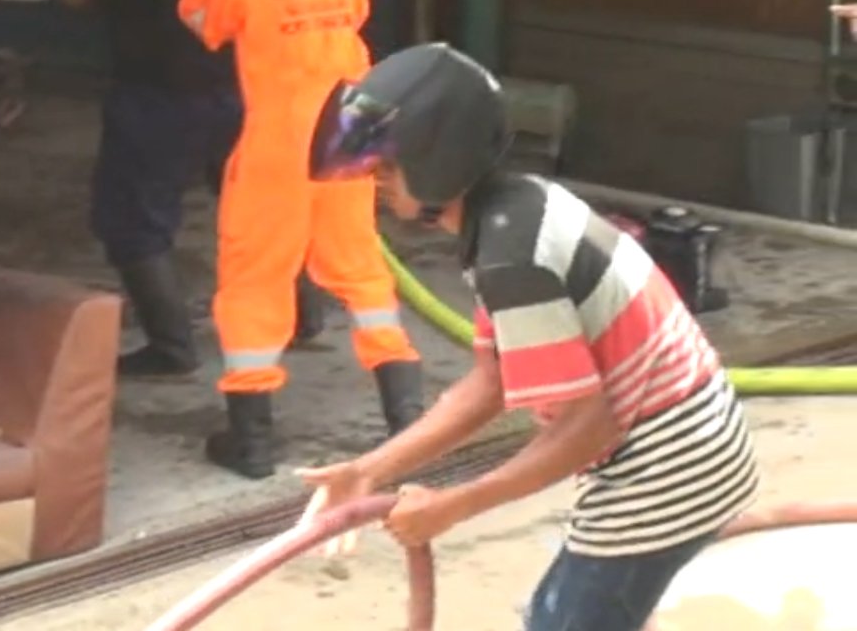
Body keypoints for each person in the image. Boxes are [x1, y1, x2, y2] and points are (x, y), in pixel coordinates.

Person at [301, 42, 760, 631]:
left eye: (388, 165)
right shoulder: (518, 210)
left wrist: (453, 505)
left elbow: (589, 425)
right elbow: (494, 381)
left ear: (440, 155)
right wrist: (371, 469)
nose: (375, 180)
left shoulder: (512, 256)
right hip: (693, 449)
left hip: (664, 473)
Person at [49, 0, 326, 382]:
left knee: (131, 219)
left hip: (157, 91)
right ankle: (305, 314)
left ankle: (172, 347)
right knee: (261, 204)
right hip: (242, 83)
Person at [158, 0, 423, 478]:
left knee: (255, 279)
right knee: (362, 273)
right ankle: (409, 424)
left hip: (282, 138)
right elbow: (354, 16)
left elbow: (207, 23)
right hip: (354, 126)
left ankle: (251, 443)